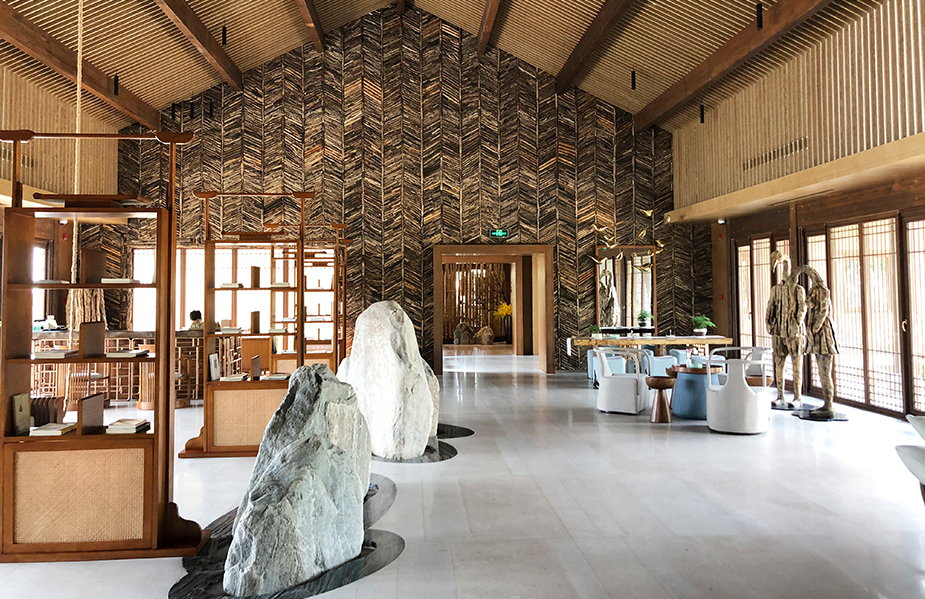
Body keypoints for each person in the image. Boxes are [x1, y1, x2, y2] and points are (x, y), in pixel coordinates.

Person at [765, 252, 806, 408]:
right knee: (779, 362)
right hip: (778, 331)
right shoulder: (776, 289)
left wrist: (796, 323)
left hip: (795, 333)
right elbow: (770, 306)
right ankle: (780, 395)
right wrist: (769, 323)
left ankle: (797, 397)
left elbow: (802, 308)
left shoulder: (798, 290)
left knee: (797, 364)